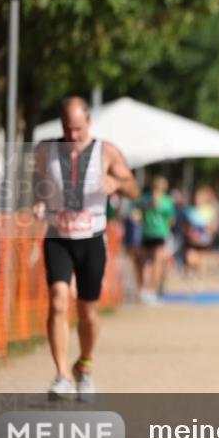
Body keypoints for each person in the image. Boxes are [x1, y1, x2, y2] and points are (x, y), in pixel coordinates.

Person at [32, 96, 139, 400]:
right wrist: (39, 201)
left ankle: (85, 366)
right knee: (58, 301)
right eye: (68, 128)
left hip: (92, 239)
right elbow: (37, 182)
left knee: (88, 312)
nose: (73, 135)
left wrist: (117, 185)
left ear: (89, 123)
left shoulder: (107, 151)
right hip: (58, 236)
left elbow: (133, 189)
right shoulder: (46, 150)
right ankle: (61, 374)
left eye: (78, 129)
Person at [137, 176, 175, 304]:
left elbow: (140, 216)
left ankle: (142, 289)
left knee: (143, 263)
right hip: (160, 234)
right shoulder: (167, 201)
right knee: (157, 263)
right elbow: (171, 221)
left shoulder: (144, 199)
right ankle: (153, 291)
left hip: (146, 233)